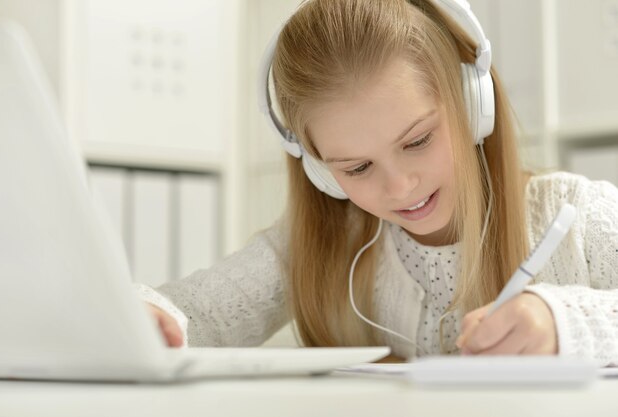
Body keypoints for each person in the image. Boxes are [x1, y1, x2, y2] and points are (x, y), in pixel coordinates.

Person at [139, 0, 618, 364]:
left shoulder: (576, 218)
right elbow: (193, 313)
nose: (400, 186)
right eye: (357, 168)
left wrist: (565, 322)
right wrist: (148, 319)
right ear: (321, 172)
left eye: (417, 141)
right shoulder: (324, 243)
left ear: (474, 105)